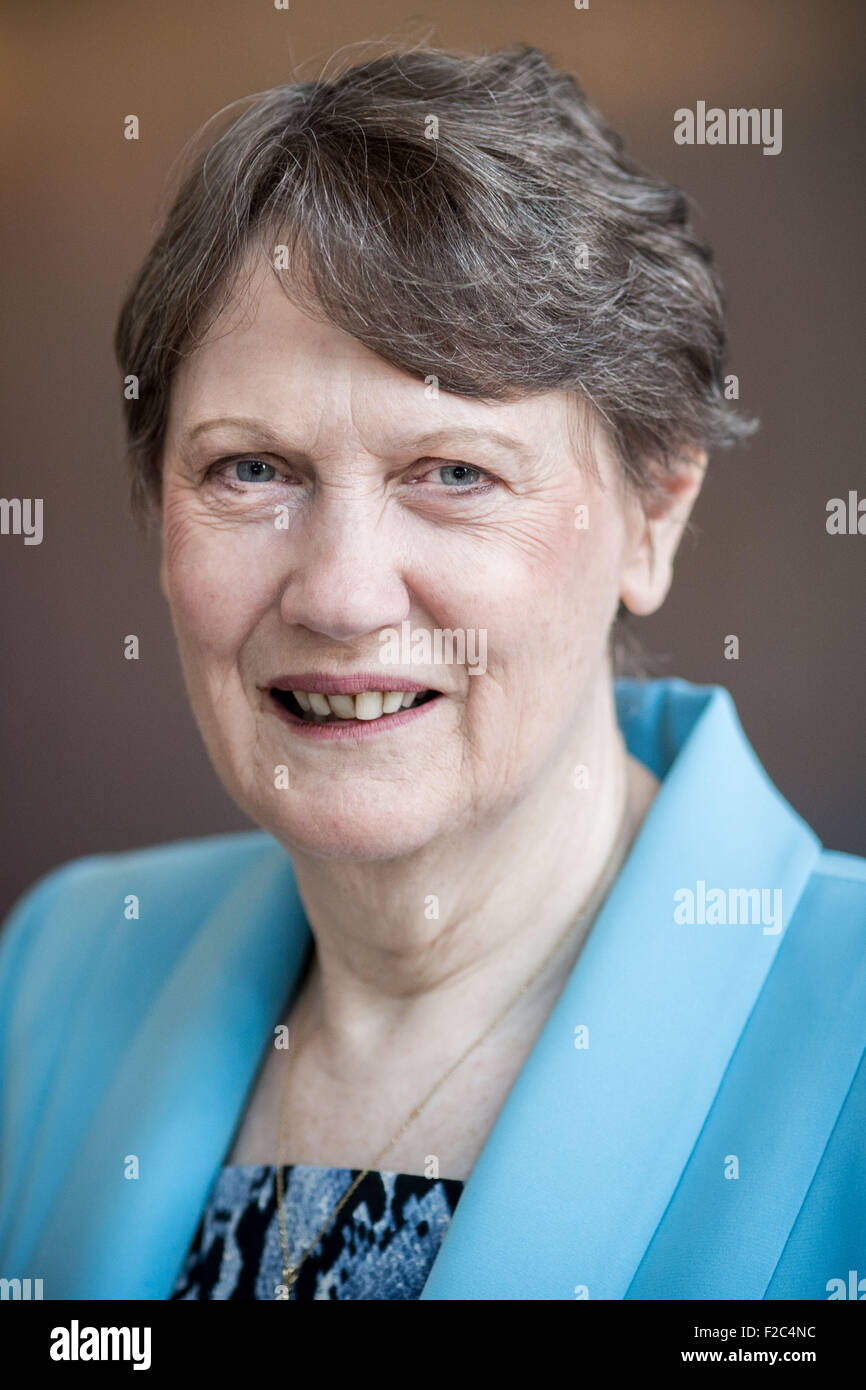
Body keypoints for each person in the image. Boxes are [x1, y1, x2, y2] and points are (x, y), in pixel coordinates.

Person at [1, 43, 863, 1302]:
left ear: (650, 517)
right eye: (251, 469)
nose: (340, 594)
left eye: (453, 472)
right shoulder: (53, 972)